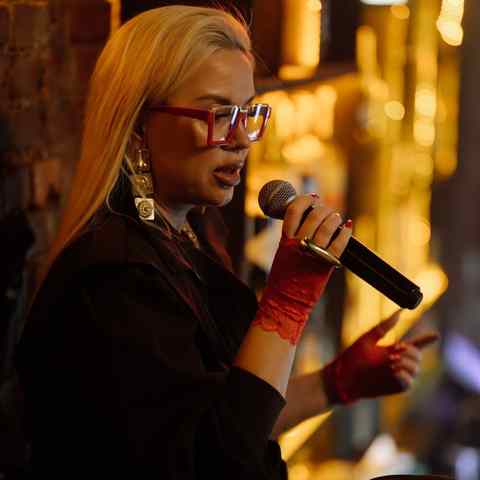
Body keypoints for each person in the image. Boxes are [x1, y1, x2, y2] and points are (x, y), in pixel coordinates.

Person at [14, 5, 438, 479]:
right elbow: (218, 462)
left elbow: (230, 419)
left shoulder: (189, 234)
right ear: (138, 124)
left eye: (249, 113)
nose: (241, 140)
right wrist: (286, 305)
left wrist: (333, 384)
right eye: (219, 114)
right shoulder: (115, 277)